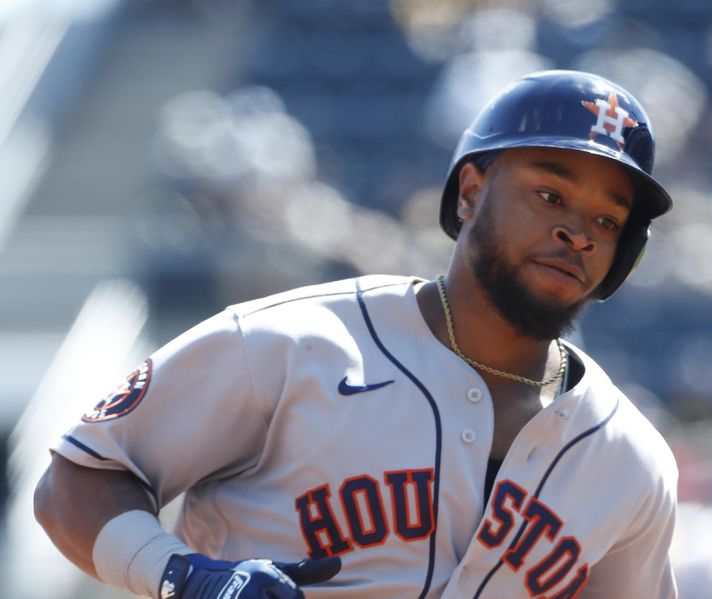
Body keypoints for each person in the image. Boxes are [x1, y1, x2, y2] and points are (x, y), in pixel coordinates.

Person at [34, 70, 679, 598]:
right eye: (549, 194)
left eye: (607, 217)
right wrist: (186, 578)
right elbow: (79, 481)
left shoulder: (630, 464)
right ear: (470, 194)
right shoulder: (292, 344)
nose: (578, 232)